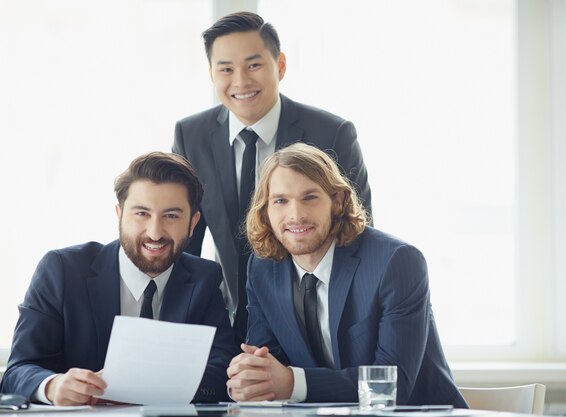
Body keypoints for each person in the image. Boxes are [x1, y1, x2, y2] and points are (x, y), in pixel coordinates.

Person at [172, 12, 372, 343]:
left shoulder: (332, 134)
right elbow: (184, 239)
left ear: (280, 66)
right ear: (211, 74)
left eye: (253, 65)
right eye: (226, 69)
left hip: (312, 322)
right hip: (226, 322)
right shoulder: (191, 135)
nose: (240, 81)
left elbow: (358, 232)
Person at [226, 143, 466, 407]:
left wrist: (293, 383)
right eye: (280, 201)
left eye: (310, 197)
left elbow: (392, 388)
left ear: (338, 201)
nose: (295, 215)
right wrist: (250, 379)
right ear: (265, 210)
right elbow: (267, 365)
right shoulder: (262, 269)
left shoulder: (396, 262)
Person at [0, 152, 237, 405]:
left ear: (193, 223)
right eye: (141, 214)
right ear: (119, 214)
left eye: (171, 216)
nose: (155, 233)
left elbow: (221, 371)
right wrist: (52, 386)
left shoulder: (204, 278)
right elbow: (18, 370)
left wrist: (139, 387)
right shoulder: (62, 270)